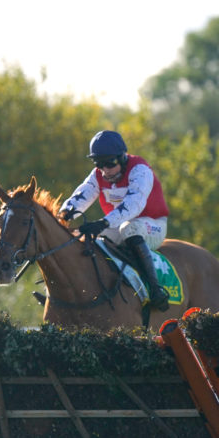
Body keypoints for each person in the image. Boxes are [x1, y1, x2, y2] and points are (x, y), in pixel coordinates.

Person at [58, 130, 170, 310]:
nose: (105, 171)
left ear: (122, 157)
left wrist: (103, 223)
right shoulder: (98, 175)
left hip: (153, 225)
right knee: (81, 237)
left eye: (110, 163)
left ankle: (156, 291)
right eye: (99, 165)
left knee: (129, 229)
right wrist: (61, 217)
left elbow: (134, 204)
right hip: (118, 225)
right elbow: (80, 198)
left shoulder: (140, 170)